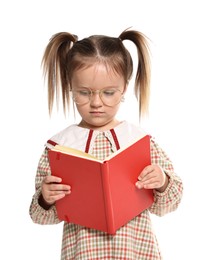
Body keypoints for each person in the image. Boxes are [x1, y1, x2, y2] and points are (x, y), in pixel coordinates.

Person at [29, 28, 183, 260]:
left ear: (124, 88)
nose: (96, 103)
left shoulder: (139, 141)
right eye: (84, 92)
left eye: (109, 92)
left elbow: (169, 204)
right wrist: (46, 197)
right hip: (83, 254)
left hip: (136, 253)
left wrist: (161, 181)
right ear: (70, 86)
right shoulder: (59, 147)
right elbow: (40, 217)